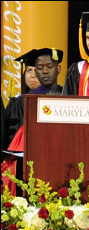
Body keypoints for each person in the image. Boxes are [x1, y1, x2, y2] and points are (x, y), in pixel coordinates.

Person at [1, 55, 41, 196]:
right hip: (18, 165)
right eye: (29, 71)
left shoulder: (57, 98)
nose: (32, 76)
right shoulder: (17, 102)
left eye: (38, 71)